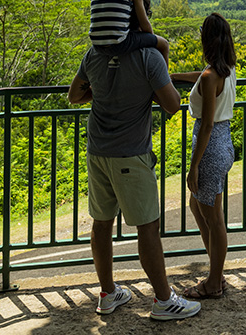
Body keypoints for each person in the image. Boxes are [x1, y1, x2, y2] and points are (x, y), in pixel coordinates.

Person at [68, 45, 202, 320]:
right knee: (148, 227)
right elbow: (173, 104)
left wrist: (107, 95)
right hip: (130, 153)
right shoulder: (148, 56)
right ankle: (164, 300)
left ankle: (107, 293)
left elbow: (74, 95)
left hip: (97, 151)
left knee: (102, 222)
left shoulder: (94, 54)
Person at [170, 13, 238, 300]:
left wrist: (193, 166)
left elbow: (207, 124)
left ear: (206, 40)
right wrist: (172, 77)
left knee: (214, 217)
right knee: (198, 206)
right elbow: (203, 78)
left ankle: (213, 282)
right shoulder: (227, 69)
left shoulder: (212, 76)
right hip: (224, 143)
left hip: (210, 149)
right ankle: (216, 272)